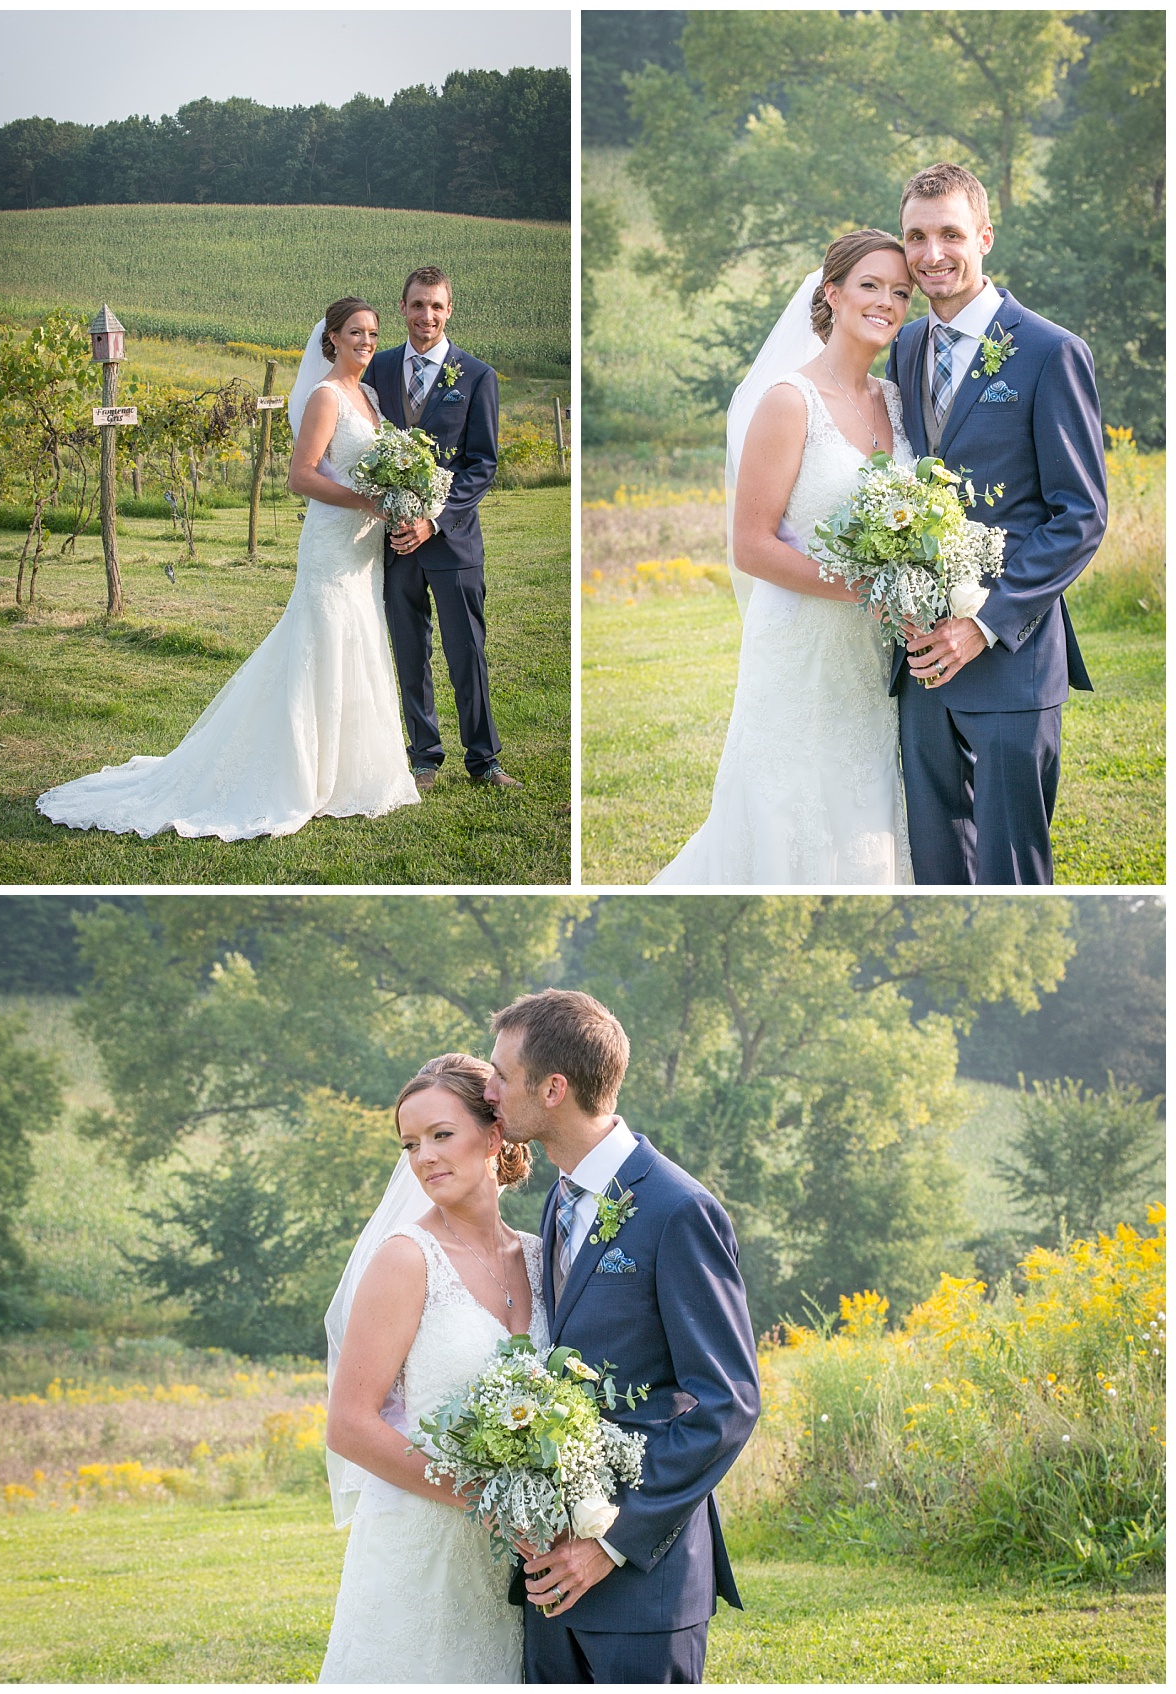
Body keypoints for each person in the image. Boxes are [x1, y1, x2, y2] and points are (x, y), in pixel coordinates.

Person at [36, 297, 418, 841]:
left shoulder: (371, 396)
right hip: (333, 545)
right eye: (355, 332)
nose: (366, 342)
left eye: (373, 334)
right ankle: (297, 773)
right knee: (321, 643)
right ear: (331, 338)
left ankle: (349, 773)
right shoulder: (326, 396)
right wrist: (368, 501)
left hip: (364, 551)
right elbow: (301, 476)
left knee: (358, 640)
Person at [485, 989, 761, 1685]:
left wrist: (610, 1541)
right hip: (551, 1579)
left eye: (499, 1074)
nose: (486, 1090)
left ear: (553, 1089)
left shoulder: (678, 1209)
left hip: (645, 1584)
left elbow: (726, 1404)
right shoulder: (558, 1197)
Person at [652, 231, 915, 885]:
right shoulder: (787, 401)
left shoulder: (900, 402)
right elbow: (752, 545)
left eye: (901, 292)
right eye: (871, 286)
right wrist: (866, 587)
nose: (887, 301)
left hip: (876, 655)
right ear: (832, 293)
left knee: (870, 805)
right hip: (802, 647)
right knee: (788, 809)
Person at [888, 163, 1107, 884]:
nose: (931, 254)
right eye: (916, 236)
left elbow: (1081, 516)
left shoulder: (1050, 352)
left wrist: (981, 624)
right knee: (937, 872)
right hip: (920, 666)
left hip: (1011, 660)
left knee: (1012, 874)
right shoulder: (905, 347)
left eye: (950, 233)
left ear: (984, 236)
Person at [318, 1053, 548, 1684]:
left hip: (517, 1559)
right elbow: (350, 1425)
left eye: (441, 1135)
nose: (423, 1158)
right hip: (423, 1545)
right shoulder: (405, 1259)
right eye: (411, 1144)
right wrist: (488, 1501)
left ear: (495, 1134)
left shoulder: (539, 1258)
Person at [365, 266, 520, 791]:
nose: (425, 316)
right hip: (392, 542)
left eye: (435, 306)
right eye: (416, 305)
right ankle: (424, 757)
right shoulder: (378, 370)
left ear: (449, 310)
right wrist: (388, 509)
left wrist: (433, 520)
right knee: (409, 649)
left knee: (466, 650)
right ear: (402, 308)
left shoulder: (476, 376)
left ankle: (484, 759)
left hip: (451, 541)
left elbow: (482, 463)